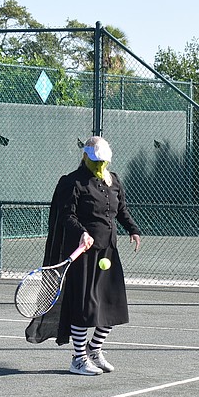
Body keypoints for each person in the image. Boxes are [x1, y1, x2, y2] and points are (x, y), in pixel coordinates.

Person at [25, 136, 141, 375]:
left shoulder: (114, 180)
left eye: (104, 161)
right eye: (96, 160)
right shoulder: (73, 182)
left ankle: (94, 350)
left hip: (109, 251)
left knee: (113, 307)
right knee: (84, 308)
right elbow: (67, 215)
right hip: (83, 255)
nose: (100, 165)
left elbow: (120, 210)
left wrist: (133, 229)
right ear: (86, 157)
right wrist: (83, 232)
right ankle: (78, 359)